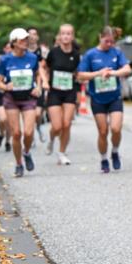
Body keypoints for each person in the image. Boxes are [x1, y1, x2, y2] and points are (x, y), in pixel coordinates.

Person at [77, 26, 131, 173]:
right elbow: (80, 75)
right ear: (100, 37)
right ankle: (103, 159)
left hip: (115, 97)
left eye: (112, 42)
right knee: (103, 131)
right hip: (98, 98)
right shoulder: (90, 54)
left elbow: (127, 69)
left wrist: (113, 73)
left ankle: (114, 151)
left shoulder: (117, 52)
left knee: (116, 128)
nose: (109, 44)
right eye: (107, 41)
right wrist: (98, 73)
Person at [0, 28, 43, 177]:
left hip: (28, 98)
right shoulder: (4, 60)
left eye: (26, 39)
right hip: (11, 99)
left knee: (29, 133)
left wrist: (39, 87)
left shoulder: (32, 58)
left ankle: (27, 152)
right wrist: (5, 86)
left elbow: (37, 76)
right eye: (22, 40)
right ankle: (18, 163)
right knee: (16, 134)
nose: (26, 42)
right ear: (14, 42)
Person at [43, 23, 81, 165]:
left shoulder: (76, 55)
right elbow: (44, 68)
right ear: (59, 36)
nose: (65, 36)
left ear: (72, 36)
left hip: (69, 92)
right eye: (63, 33)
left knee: (67, 124)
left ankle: (62, 152)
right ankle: (52, 139)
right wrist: (45, 81)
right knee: (57, 126)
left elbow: (78, 73)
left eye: (68, 33)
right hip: (55, 92)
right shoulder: (53, 52)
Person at [27, 27, 50, 144]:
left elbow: (43, 68)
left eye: (34, 34)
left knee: (37, 114)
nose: (32, 36)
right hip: (27, 84)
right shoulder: (23, 50)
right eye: (30, 34)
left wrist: (43, 83)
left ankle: (38, 127)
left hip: (40, 82)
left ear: (37, 37)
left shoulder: (43, 51)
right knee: (29, 112)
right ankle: (30, 135)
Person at [0, 41, 12, 152]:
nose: (9, 50)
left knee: (9, 121)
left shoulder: (17, 60)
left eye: (11, 48)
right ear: (4, 49)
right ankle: (1, 134)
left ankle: (8, 141)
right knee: (2, 119)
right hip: (0, 93)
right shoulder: (0, 60)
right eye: (7, 48)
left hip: (11, 94)